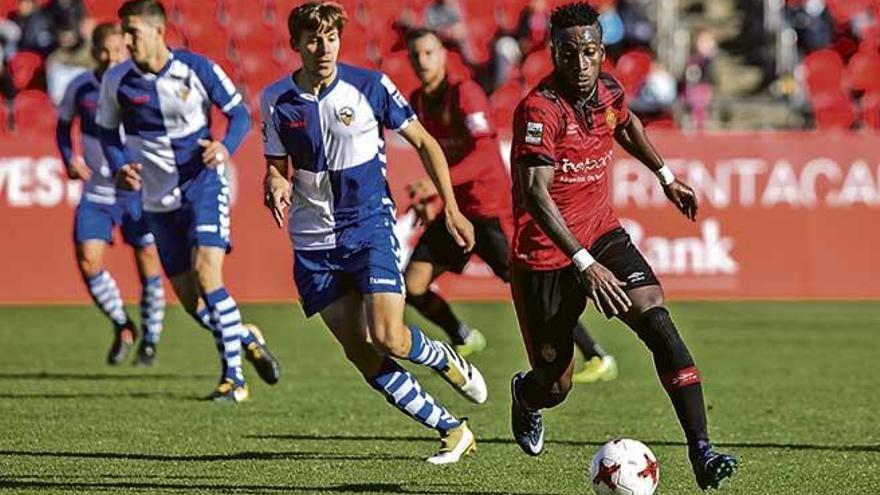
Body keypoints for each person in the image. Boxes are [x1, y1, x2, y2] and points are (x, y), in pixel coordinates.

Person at [507, 2, 737, 490]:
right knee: (555, 384)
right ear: (555, 53)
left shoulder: (609, 88)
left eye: (590, 52)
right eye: (570, 54)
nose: (582, 63)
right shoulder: (539, 109)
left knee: (657, 319)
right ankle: (525, 397)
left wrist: (665, 175)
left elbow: (626, 123)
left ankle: (702, 449)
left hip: (601, 233)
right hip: (546, 256)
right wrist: (583, 264)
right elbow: (535, 195)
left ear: (601, 50)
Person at [261, 1, 486, 464]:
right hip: (313, 242)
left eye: (331, 37)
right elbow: (276, 161)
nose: (323, 47)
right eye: (313, 39)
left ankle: (444, 358)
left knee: (389, 337)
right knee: (361, 353)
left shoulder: (369, 86)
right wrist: (275, 179)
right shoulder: (275, 99)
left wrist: (453, 208)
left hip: (368, 227)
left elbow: (423, 141)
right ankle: (451, 429)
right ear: (295, 44)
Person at [404, 27, 618, 383]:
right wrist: (436, 196)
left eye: (429, 53)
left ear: (443, 55)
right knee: (413, 285)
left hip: (491, 210)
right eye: (416, 56)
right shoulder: (420, 100)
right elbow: (439, 158)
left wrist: (439, 186)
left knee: (535, 289)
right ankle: (462, 336)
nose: (422, 62)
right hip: (458, 212)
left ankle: (597, 354)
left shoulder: (465, 93)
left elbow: (486, 157)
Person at [97, 0, 280, 402]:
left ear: (159, 32)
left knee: (207, 273)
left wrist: (224, 147)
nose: (127, 41)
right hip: (157, 200)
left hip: (203, 186)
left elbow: (240, 115)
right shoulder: (116, 80)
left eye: (134, 32)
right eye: (124, 32)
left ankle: (234, 379)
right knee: (191, 301)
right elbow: (107, 133)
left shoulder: (196, 68)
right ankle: (244, 336)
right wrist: (120, 164)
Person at [56, 22, 165, 366]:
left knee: (147, 259)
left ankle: (150, 338)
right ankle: (122, 323)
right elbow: (62, 128)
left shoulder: (139, 85)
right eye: (105, 50)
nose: (112, 56)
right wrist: (69, 158)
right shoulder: (81, 87)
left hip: (136, 192)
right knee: (88, 260)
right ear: (95, 52)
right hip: (97, 191)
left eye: (118, 50)